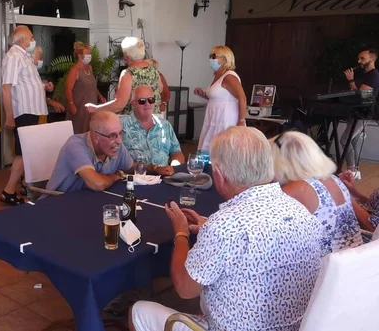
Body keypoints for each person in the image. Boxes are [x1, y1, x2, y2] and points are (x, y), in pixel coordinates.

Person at [130, 126, 323, 331]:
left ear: (220, 174)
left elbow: (185, 289)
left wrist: (181, 233)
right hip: (294, 326)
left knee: (138, 311)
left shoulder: (224, 227)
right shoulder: (301, 211)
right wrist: (208, 226)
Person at [270, 130, 362, 255]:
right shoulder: (332, 178)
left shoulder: (296, 189)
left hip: (327, 266)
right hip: (354, 259)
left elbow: (267, 227)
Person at [0, 25, 54, 205]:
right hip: (23, 111)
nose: (33, 40)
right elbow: (6, 87)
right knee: (23, 153)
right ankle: (8, 191)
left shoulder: (23, 56)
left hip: (32, 110)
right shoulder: (13, 56)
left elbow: (27, 82)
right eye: (31, 37)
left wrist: (43, 86)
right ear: (23, 40)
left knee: (27, 152)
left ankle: (24, 184)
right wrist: (9, 115)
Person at [43, 111, 133, 195]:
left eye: (120, 133)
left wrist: (145, 167)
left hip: (90, 199)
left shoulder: (115, 145)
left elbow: (132, 168)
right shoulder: (75, 145)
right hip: (58, 201)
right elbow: (98, 184)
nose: (120, 141)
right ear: (96, 137)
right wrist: (115, 177)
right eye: (112, 135)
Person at [85, 37, 163, 115]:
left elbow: (119, 105)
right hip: (153, 120)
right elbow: (160, 89)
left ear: (126, 55)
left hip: (134, 122)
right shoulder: (153, 70)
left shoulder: (128, 73)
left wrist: (95, 109)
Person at [194, 46, 247, 155]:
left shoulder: (229, 77)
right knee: (210, 147)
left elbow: (242, 97)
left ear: (225, 59)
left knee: (222, 149)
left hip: (224, 120)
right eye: (210, 56)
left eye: (214, 56)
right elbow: (218, 97)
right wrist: (203, 94)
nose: (211, 59)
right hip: (214, 118)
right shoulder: (218, 76)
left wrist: (241, 121)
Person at [120, 85, 183, 175]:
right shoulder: (121, 125)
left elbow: (176, 152)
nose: (147, 104)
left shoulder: (164, 125)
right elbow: (115, 158)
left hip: (163, 178)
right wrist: (155, 169)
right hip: (135, 179)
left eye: (151, 100)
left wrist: (173, 167)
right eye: (142, 101)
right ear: (133, 104)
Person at [340, 48, 379, 179]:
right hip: (357, 112)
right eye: (358, 58)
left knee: (345, 140)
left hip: (363, 113)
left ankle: (351, 170)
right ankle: (355, 170)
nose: (359, 61)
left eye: (362, 58)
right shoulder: (364, 75)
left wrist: (351, 81)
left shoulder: (373, 74)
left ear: (372, 59)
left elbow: (361, 96)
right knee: (354, 140)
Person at [65, 41, 106, 133]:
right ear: (79, 55)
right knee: (79, 130)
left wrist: (100, 96)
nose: (90, 55)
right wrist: (71, 104)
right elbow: (68, 88)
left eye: (90, 53)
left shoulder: (90, 68)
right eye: (87, 53)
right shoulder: (75, 70)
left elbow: (92, 85)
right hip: (79, 107)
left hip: (91, 106)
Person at [31, 46, 66, 123]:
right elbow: (33, 96)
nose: (42, 60)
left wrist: (44, 86)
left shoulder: (35, 73)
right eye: (40, 58)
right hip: (32, 114)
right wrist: (51, 102)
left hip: (40, 113)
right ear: (32, 58)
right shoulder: (28, 75)